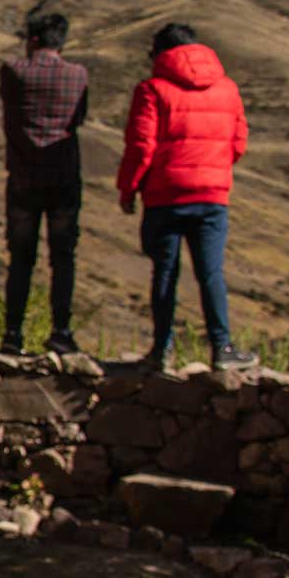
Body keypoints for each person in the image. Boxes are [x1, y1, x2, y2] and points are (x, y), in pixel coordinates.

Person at [116, 21, 257, 370]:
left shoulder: (152, 90)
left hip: (165, 196)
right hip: (211, 196)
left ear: (161, 54)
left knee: (165, 273)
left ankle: (161, 351)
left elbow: (141, 146)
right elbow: (237, 143)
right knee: (211, 272)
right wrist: (212, 167)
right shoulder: (227, 89)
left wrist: (129, 188)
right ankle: (222, 348)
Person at [0, 8, 88, 354]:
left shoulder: (14, 72)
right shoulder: (77, 75)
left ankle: (12, 333)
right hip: (64, 178)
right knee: (63, 258)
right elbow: (78, 117)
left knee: (21, 259)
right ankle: (61, 330)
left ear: (32, 40)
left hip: (23, 179)